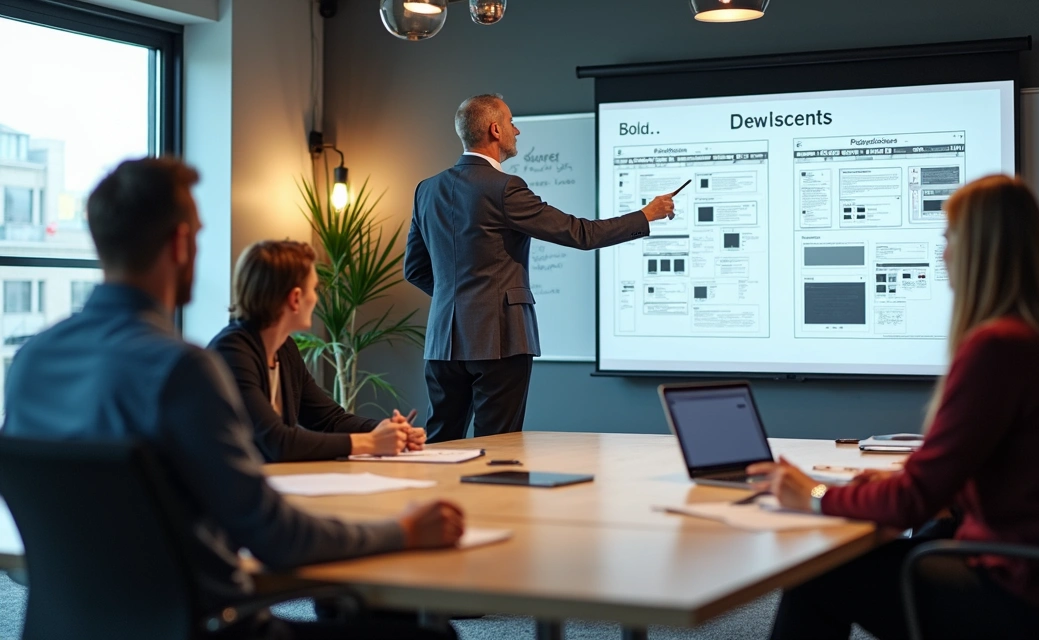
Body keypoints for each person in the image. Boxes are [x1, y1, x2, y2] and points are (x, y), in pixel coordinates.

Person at [2, 158, 463, 639]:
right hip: (211, 628)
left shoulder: (32, 361)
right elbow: (274, 536)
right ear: (181, 243)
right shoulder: (181, 369)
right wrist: (403, 531)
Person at [749, 175, 1039, 639]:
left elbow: (913, 502)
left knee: (817, 572)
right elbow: (996, 475)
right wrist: (887, 485)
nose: (942, 252)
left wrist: (816, 496)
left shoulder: (999, 347)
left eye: (949, 236)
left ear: (979, 247)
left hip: (1018, 593)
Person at [404, 93, 676, 442]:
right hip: (500, 339)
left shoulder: (427, 190)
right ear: (495, 130)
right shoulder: (504, 188)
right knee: (497, 446)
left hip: (443, 340)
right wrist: (645, 215)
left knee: (441, 442)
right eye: (512, 123)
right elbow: (581, 234)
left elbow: (414, 269)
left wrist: (457, 299)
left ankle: (439, 500)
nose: (518, 130)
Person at [209, 240, 426, 462]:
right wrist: (371, 442)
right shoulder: (231, 353)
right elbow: (275, 442)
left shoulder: (284, 349)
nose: (315, 297)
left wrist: (384, 430)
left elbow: (329, 420)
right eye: (313, 289)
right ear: (295, 298)